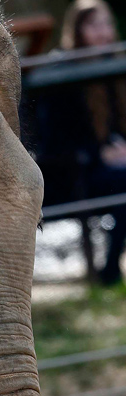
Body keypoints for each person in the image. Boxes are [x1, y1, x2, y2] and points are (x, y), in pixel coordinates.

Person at [38, 0, 126, 285]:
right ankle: (110, 273)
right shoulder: (60, 73)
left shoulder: (116, 69)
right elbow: (53, 141)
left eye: (106, 24)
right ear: (77, 30)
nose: (102, 33)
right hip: (72, 176)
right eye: (93, 25)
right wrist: (100, 154)